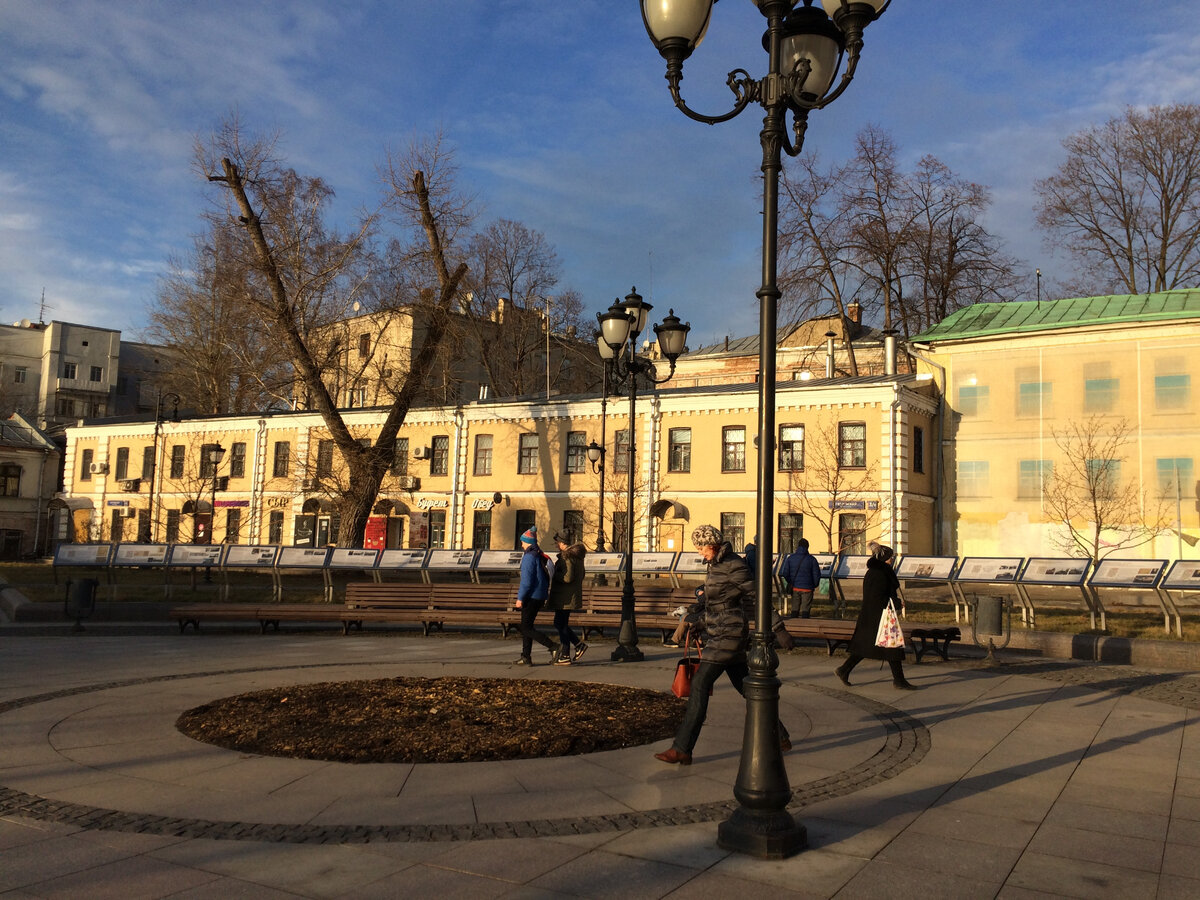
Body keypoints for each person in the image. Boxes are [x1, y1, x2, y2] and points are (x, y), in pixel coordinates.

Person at [654, 525, 793, 765]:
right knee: (746, 688)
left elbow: (757, 597)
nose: (700, 553)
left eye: (701, 548)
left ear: (714, 544)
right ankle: (780, 736)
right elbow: (715, 600)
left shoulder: (734, 566)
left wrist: (779, 629)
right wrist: (697, 619)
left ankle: (682, 748)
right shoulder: (717, 565)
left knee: (699, 684)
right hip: (720, 631)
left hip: (729, 634)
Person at [834, 543, 916, 690]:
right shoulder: (880, 574)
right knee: (892, 647)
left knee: (867, 647)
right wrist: (896, 602)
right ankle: (899, 681)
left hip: (872, 616)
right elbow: (878, 597)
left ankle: (844, 670)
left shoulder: (874, 571)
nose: (891, 560)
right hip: (880, 617)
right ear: (884, 559)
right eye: (889, 558)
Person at [514, 526, 560, 665]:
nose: (521, 544)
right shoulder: (539, 554)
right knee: (527, 626)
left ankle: (553, 646)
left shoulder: (529, 557)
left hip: (531, 596)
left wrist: (520, 598)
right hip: (540, 595)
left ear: (527, 542)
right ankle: (526, 656)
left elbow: (527, 582)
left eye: (522, 541)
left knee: (526, 628)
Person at [546, 531, 588, 664]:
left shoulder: (567, 557)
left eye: (558, 542)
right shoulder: (577, 556)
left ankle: (566, 654)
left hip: (564, 596)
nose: (557, 545)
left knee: (560, 623)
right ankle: (576, 646)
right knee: (560, 623)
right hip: (570, 595)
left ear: (563, 543)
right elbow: (581, 575)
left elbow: (568, 577)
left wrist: (553, 574)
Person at [779, 538, 822, 618]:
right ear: (807, 547)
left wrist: (791, 582)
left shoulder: (790, 558)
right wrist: (813, 585)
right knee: (806, 610)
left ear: (798, 546)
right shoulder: (812, 560)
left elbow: (785, 573)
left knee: (794, 609)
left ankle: (793, 626)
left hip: (795, 587)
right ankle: (805, 625)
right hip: (808, 588)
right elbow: (816, 575)